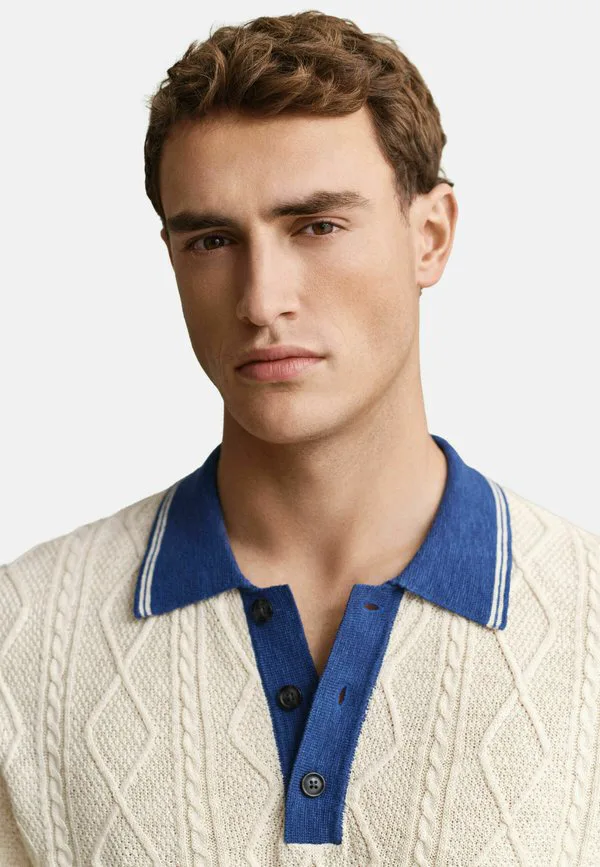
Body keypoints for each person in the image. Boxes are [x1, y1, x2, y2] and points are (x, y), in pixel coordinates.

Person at [1, 10, 599, 866]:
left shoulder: (586, 623)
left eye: (316, 226)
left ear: (430, 236)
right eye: (212, 240)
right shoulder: (23, 639)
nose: (261, 299)